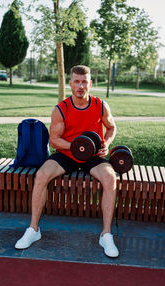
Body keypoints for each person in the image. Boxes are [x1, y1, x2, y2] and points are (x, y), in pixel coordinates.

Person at [15, 65, 119, 258]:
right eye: (77, 82)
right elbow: (54, 140)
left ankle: (106, 234)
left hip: (94, 156)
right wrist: (76, 147)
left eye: (84, 82)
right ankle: (33, 230)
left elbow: (111, 127)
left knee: (110, 179)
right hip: (67, 153)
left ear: (90, 83)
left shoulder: (100, 105)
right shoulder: (61, 109)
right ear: (70, 84)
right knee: (41, 175)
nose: (80, 86)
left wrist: (105, 142)